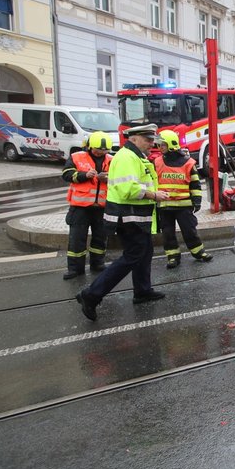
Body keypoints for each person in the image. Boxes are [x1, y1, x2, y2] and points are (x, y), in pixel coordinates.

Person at [76, 124, 169, 321]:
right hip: (129, 218)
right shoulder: (127, 156)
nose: (152, 143)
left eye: (153, 139)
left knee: (145, 252)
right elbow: (129, 189)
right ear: (133, 138)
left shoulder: (136, 156)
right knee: (132, 256)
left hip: (136, 217)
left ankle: (142, 290)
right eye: (148, 139)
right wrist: (154, 195)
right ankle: (91, 295)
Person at [153, 130, 212, 269]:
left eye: (162, 145)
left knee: (190, 231)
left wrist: (197, 201)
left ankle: (199, 252)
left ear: (171, 145)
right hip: (165, 206)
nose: (160, 147)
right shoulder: (156, 162)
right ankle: (173, 256)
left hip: (184, 206)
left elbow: (195, 184)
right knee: (168, 233)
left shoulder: (188, 163)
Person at [61, 131, 112, 279]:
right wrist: (84, 175)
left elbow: (119, 178)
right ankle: (75, 269)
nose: (101, 152)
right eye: (98, 149)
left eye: (104, 150)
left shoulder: (111, 160)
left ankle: (98, 264)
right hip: (80, 207)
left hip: (101, 207)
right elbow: (66, 174)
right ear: (89, 146)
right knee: (77, 239)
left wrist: (108, 178)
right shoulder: (77, 157)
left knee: (100, 238)